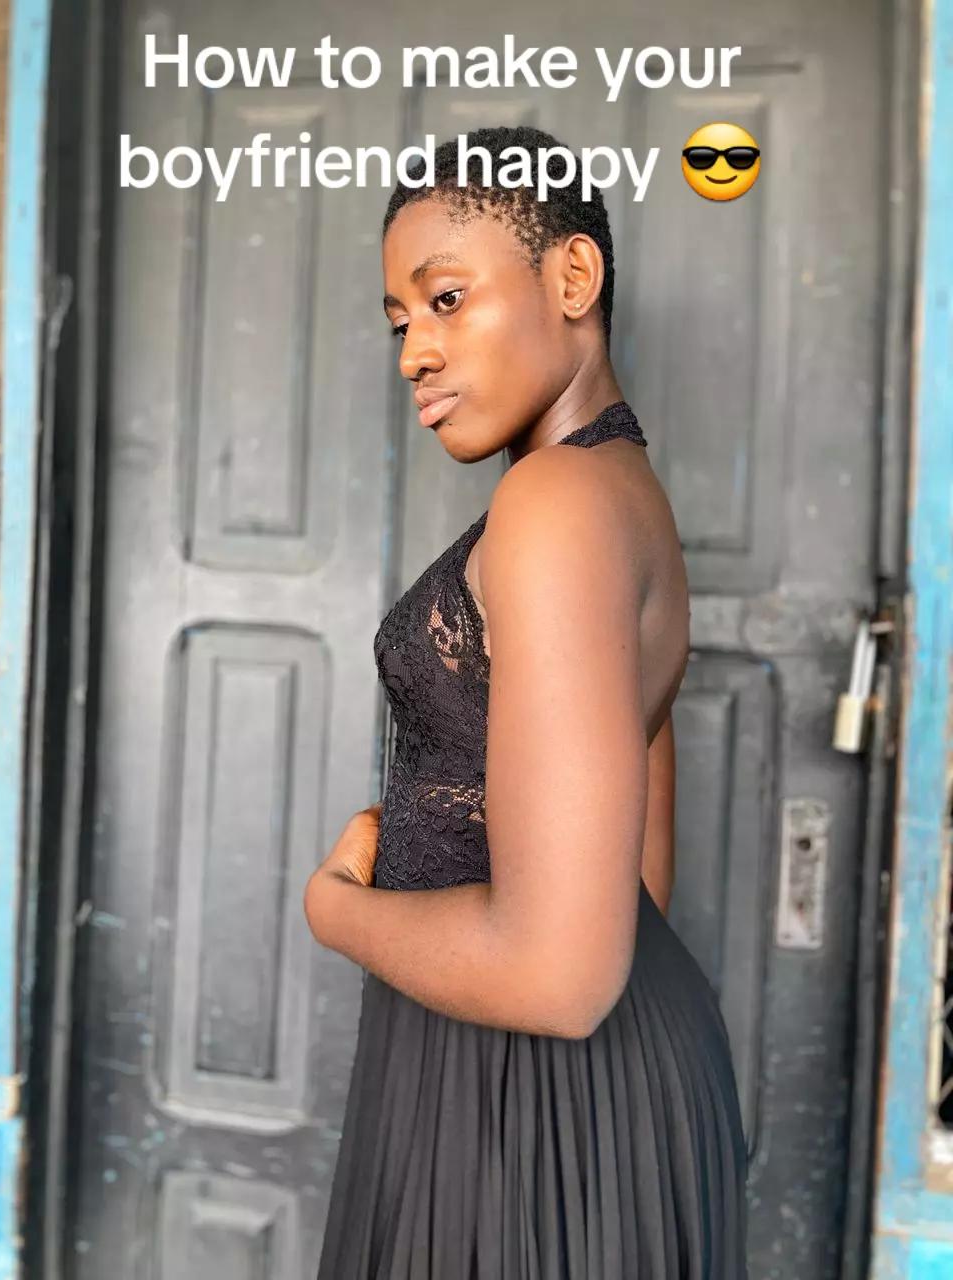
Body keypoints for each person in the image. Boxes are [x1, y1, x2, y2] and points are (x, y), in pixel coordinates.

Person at [304, 125, 748, 1278]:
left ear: (572, 277)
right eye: (400, 321)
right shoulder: (621, 491)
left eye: (447, 298)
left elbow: (558, 974)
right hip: (586, 1089)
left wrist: (335, 907)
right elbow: (638, 873)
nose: (415, 352)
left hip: (528, 1101)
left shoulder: (556, 502)